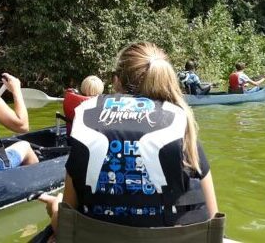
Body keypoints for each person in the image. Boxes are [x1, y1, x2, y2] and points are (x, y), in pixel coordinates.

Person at [39, 42, 218, 238]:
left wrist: (55, 210)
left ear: (116, 81)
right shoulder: (185, 131)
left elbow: (67, 230)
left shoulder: (87, 128)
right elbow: (211, 222)